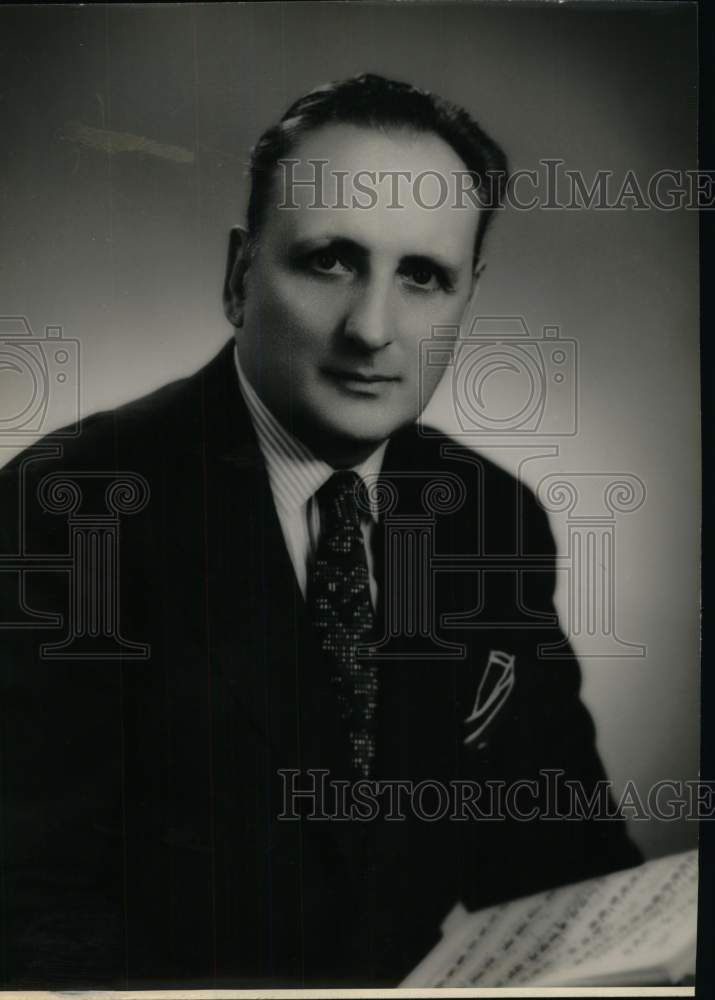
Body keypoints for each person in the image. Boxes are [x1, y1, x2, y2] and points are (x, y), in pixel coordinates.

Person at [0, 74, 641, 989]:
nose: (373, 329)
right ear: (239, 276)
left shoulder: (485, 514)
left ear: (465, 298)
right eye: (330, 261)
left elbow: (562, 853)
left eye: (422, 277)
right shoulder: (74, 508)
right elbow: (31, 911)